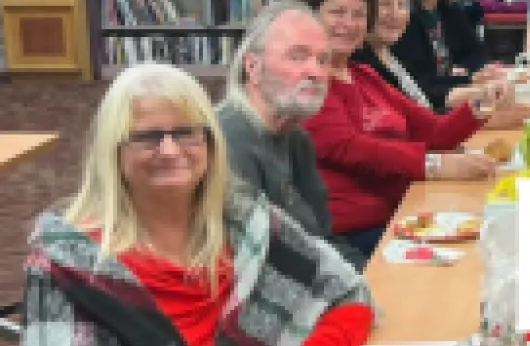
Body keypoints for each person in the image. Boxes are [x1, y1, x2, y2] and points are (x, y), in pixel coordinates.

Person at [22, 64, 373, 346]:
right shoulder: (70, 266)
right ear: (112, 151)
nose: (170, 151)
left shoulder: (245, 219)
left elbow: (348, 290)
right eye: (147, 137)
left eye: (187, 132)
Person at [295, 0, 524, 260]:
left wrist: (482, 103)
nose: (349, 24)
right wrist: (433, 165)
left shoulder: (364, 75)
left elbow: (435, 131)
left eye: (359, 14)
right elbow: (349, 147)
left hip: (405, 210)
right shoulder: (309, 81)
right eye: (338, 12)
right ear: (309, 16)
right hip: (355, 234)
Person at [215, 0, 363, 266]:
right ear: (253, 67)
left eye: (322, 60)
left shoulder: (296, 138)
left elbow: (323, 239)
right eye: (297, 56)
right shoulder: (227, 140)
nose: (316, 72)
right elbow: (258, 267)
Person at [355, 0, 497, 114]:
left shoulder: (387, 56)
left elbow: (422, 109)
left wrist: (474, 87)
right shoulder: (361, 65)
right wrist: (475, 107)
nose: (395, 13)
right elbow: (409, 124)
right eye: (384, 3)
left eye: (402, 4)